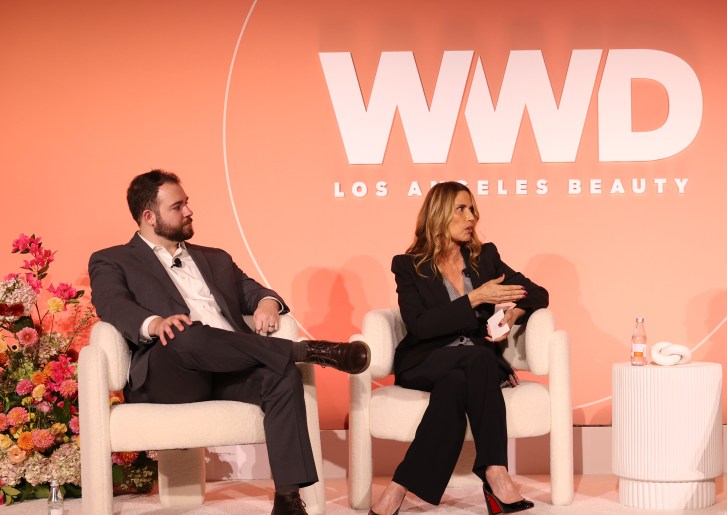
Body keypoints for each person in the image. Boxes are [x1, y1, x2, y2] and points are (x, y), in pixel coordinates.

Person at [88, 169, 371, 515]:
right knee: (184, 331)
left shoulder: (215, 258)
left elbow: (253, 291)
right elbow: (112, 303)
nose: (189, 211)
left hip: (227, 368)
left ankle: (288, 499)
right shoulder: (112, 259)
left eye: (187, 203)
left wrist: (267, 303)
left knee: (282, 375)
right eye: (177, 207)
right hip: (170, 375)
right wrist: (155, 323)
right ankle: (305, 351)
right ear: (149, 216)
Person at [368, 181, 548, 515]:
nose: (472, 217)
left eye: (472, 209)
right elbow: (420, 325)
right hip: (425, 361)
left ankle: (398, 488)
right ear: (438, 214)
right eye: (461, 209)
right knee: (479, 358)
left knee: (456, 384)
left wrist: (515, 313)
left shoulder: (485, 258)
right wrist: (475, 298)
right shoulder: (408, 265)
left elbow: (538, 293)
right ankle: (495, 472)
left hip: (470, 366)